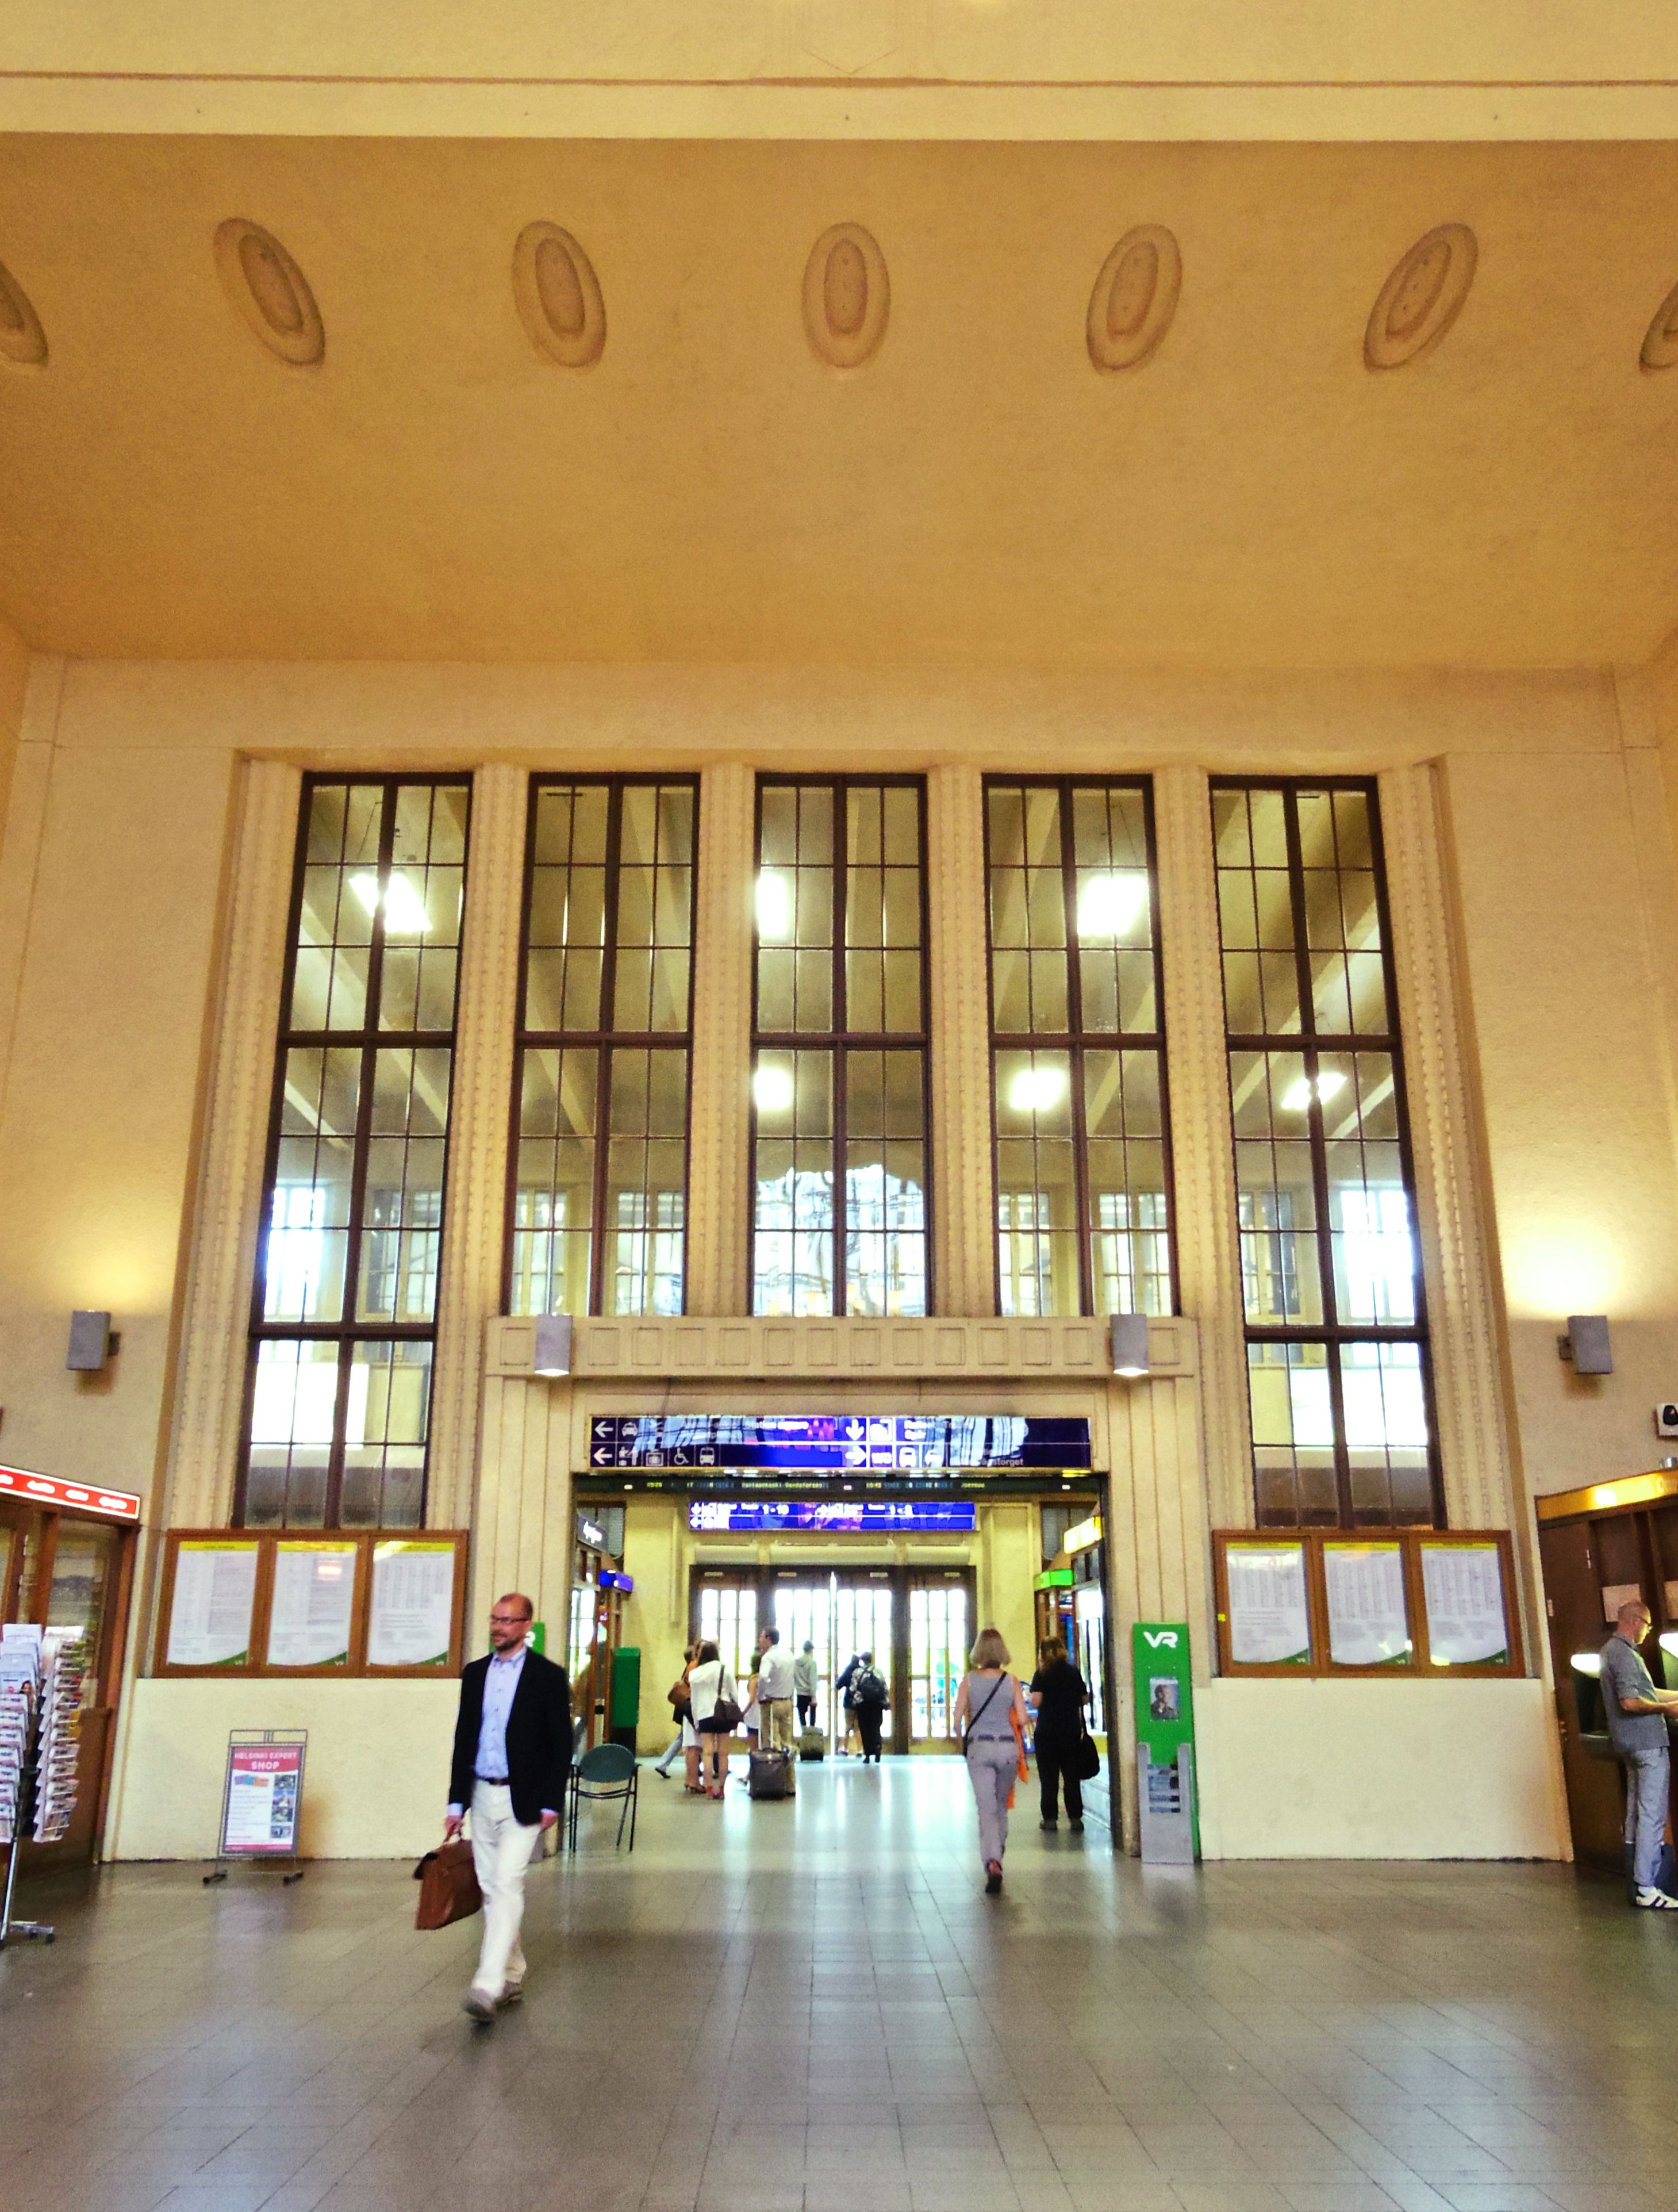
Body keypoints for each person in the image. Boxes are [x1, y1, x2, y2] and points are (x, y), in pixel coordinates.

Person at [445, 1591, 571, 2021]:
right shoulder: (475, 1673)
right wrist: (456, 1800)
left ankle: (487, 1982)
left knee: (507, 1883)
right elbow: (465, 1736)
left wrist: (554, 1800)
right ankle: (513, 1969)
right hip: (481, 1792)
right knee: (490, 1886)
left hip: (526, 1797)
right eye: (494, 1618)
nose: (497, 1626)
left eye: (507, 1620)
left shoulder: (548, 1677)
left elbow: (560, 1745)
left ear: (526, 1627)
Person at [1599, 1596, 1678, 1908]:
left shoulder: (1610, 1652)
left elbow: (1642, 1692)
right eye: (1646, 1625)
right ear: (1635, 1622)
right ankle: (1648, 1885)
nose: (1648, 1631)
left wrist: (1672, 1698)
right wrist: (1666, 1710)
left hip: (1628, 1745)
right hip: (1647, 1742)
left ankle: (1637, 1883)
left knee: (1634, 1813)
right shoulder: (1627, 1656)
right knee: (1652, 1814)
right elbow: (1631, 1702)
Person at [954, 1627, 1030, 1895]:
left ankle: (993, 1861)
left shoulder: (969, 1681)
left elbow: (956, 1719)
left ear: (979, 1652)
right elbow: (1022, 1719)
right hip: (1008, 1749)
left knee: (986, 1809)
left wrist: (961, 1738)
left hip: (980, 1748)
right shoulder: (1012, 1681)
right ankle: (998, 1849)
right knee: (1000, 1805)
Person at [1028, 1636, 1092, 1833]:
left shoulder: (1042, 1674)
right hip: (1071, 1731)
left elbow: (1036, 1702)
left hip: (1047, 1733)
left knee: (1049, 1779)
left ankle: (1050, 1819)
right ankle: (1075, 1818)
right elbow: (1085, 1698)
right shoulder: (1073, 1671)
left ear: (1042, 1653)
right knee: (1071, 1777)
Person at [685, 1638, 739, 1799]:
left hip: (704, 1714)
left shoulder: (695, 1674)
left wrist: (695, 1721)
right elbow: (734, 1695)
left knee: (707, 1753)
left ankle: (709, 1789)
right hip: (723, 1713)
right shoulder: (725, 1670)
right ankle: (721, 1789)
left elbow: (693, 1700)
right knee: (723, 1754)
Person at [654, 1642, 700, 1787]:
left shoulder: (688, 1667)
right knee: (684, 1739)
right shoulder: (694, 1666)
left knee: (683, 1738)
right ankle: (664, 1764)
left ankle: (665, 1764)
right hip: (687, 1707)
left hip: (683, 1707)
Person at [755, 1627, 798, 1770]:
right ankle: (789, 1782)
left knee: (773, 1743)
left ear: (768, 1639)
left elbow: (763, 1676)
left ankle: (775, 1779)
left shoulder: (768, 1657)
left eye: (762, 1637)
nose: (760, 1640)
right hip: (787, 1702)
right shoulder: (789, 1655)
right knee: (787, 1743)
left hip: (772, 1703)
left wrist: (762, 1694)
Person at [849, 1649, 889, 1762]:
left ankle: (867, 1754)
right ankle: (877, 1749)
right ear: (871, 1660)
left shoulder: (857, 1672)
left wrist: (855, 1700)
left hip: (863, 1704)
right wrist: (885, 1702)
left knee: (865, 1728)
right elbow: (884, 1688)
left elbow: (853, 1689)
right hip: (876, 1704)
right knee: (876, 1727)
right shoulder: (878, 1672)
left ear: (862, 1661)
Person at [794, 1640, 819, 1731]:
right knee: (812, 1722)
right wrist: (814, 1696)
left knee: (802, 1721)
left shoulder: (796, 1662)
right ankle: (811, 1741)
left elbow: (794, 1677)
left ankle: (804, 1739)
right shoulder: (812, 1663)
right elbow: (812, 1680)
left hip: (800, 1693)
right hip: (809, 1695)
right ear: (811, 1650)